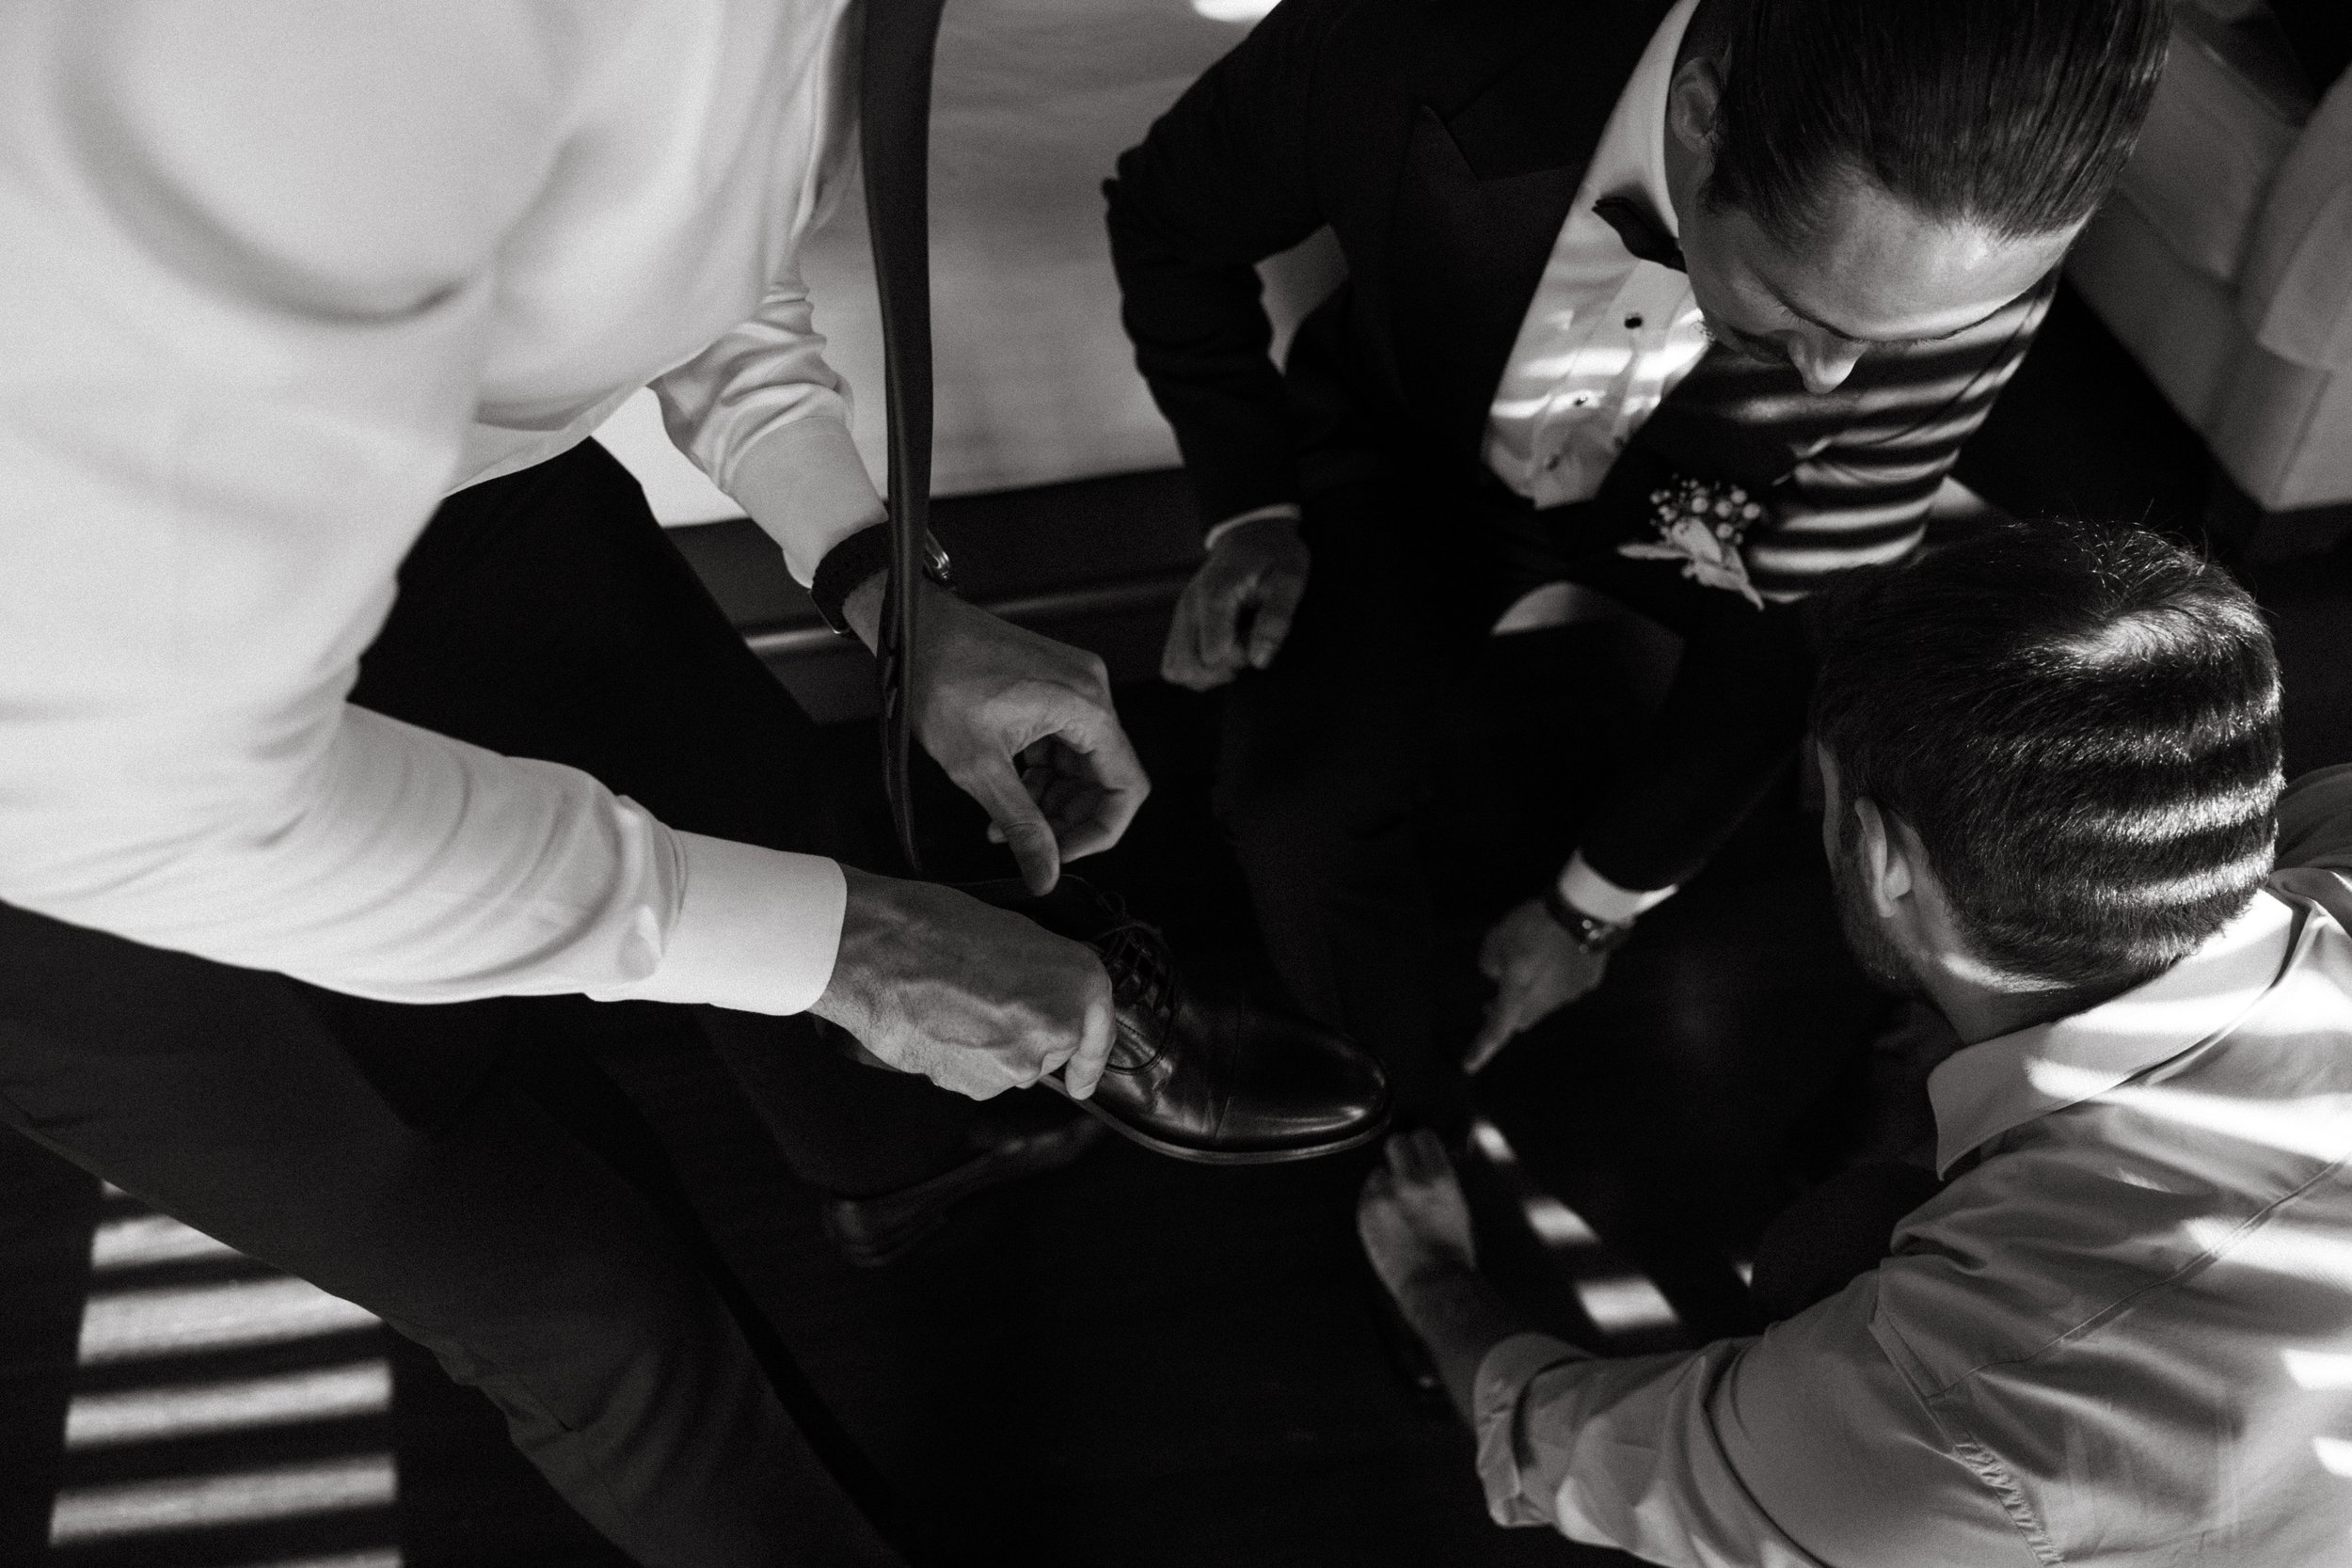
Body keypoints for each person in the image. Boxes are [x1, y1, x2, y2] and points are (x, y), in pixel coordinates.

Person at [0, 3, 1158, 1561]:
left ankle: (901, 1170)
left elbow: (682, 228)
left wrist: (885, 584)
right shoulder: (295, 49)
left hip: (445, 500)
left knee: (744, 782)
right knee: (594, 1308)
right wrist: (854, 946)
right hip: (70, 784)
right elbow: (162, 805)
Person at [1104, 0, 2170, 1117]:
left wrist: (1588, 908)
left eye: (1903, 341)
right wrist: (1250, 508)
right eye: (1805, 314)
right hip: (1411, 448)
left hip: (1721, 504)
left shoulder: (1974, 257)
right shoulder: (1395, 42)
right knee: (1293, 799)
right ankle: (1387, 1105)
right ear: (1703, 114)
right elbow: (1167, 222)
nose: (1833, 385)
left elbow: (1802, 616)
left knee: (1841, 733)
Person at [1356, 519, 2352, 1565]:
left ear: (1880, 858)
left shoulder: (1959, 1397)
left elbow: (1598, 1456)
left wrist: (1427, 1273)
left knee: (1821, 1251)